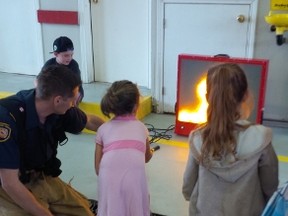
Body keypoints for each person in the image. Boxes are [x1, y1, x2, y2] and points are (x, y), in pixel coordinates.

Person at [0, 65, 104, 216]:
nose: (74, 104)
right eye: (73, 99)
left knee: (85, 212)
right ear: (58, 100)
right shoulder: (7, 120)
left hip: (40, 176)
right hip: (8, 185)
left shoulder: (62, 110)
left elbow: (90, 121)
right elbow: (9, 183)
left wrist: (117, 133)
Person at [182, 63, 279, 216]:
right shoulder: (261, 137)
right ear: (246, 95)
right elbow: (270, 187)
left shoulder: (198, 137)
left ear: (208, 97)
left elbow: (188, 187)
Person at [95, 80, 153, 216]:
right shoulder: (141, 128)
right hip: (134, 183)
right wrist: (150, 153)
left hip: (109, 183)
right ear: (135, 106)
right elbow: (147, 157)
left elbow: (98, 168)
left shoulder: (102, 129)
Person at [43, 36, 84, 105]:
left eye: (71, 55)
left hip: (71, 91)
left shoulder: (73, 64)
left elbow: (77, 84)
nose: (69, 58)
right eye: (66, 55)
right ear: (56, 54)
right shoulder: (49, 64)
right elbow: (39, 81)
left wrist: (77, 94)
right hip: (55, 92)